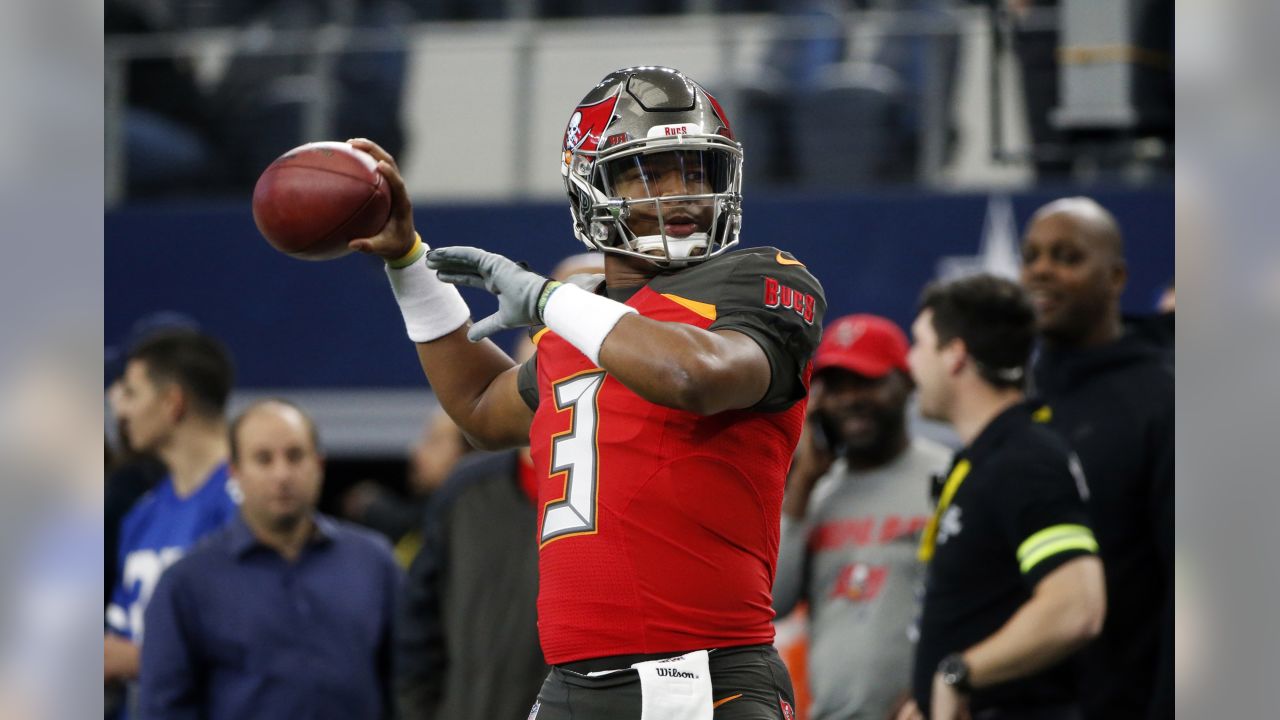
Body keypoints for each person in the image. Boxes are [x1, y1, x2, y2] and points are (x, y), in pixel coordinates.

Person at [344, 65, 826, 719]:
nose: (681, 192)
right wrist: (407, 264)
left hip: (698, 677)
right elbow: (482, 408)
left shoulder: (756, 279)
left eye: (696, 170)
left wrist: (549, 300)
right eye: (651, 171)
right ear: (591, 186)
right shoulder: (582, 321)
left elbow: (696, 375)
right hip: (572, 682)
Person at [394, 252, 603, 720]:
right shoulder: (465, 493)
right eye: (555, 325)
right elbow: (417, 639)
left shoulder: (652, 492)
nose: (577, 346)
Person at [899, 274, 1106, 720]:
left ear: (955, 356)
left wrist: (958, 674)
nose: (908, 361)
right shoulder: (985, 457)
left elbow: (1077, 606)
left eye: (919, 343)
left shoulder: (1024, 459)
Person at [138, 399, 402, 720]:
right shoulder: (186, 583)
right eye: (263, 459)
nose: (282, 474)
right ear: (235, 472)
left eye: (295, 456)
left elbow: (407, 681)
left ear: (318, 464)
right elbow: (164, 707)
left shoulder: (373, 562)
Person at [1019, 197, 1174, 719]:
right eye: (1032, 255)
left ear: (1116, 277)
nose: (1041, 270)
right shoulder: (1017, 399)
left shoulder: (1163, 399)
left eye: (1066, 257)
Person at [772, 313, 951, 720]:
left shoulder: (950, 475)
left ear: (906, 382)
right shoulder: (816, 493)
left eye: (866, 381)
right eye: (835, 387)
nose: (850, 399)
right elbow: (772, 604)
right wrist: (801, 485)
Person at [104, 330, 240, 717]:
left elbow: (261, 648)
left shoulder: (244, 506)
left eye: (131, 392)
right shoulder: (142, 515)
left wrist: (136, 660)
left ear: (173, 403)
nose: (119, 407)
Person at [341, 406, 473, 565]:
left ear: (469, 452)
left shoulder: (470, 536)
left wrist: (373, 510)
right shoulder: (412, 535)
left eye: (433, 441)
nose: (415, 450)